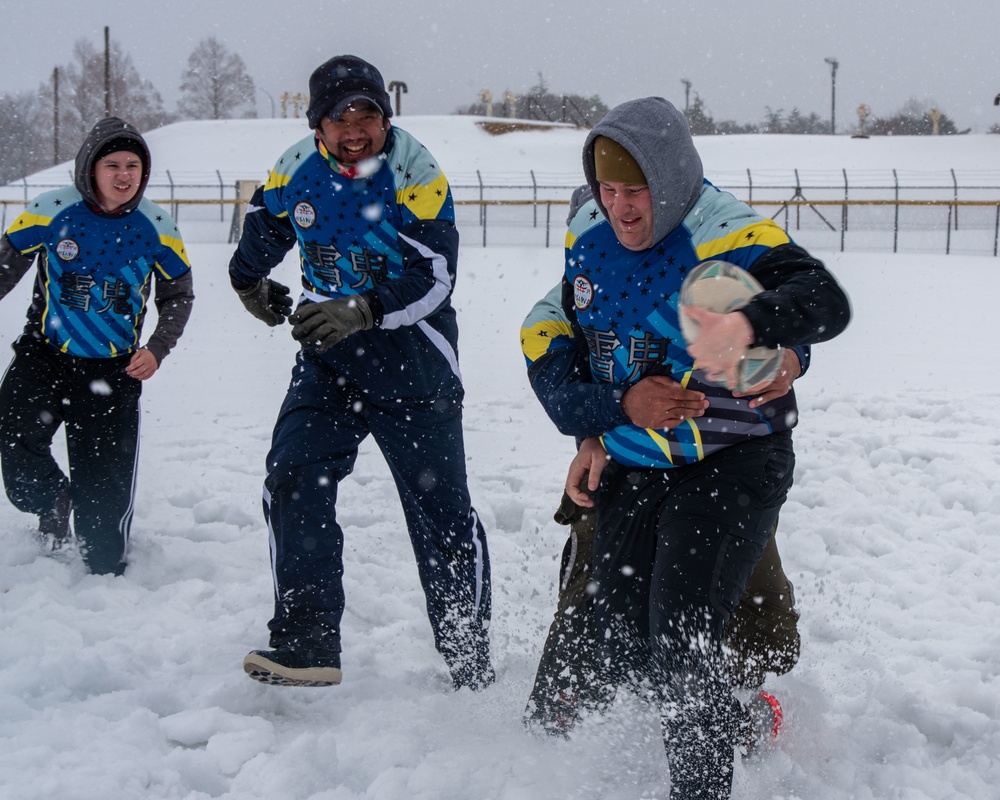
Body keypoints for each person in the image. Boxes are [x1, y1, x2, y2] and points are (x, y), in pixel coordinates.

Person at [519, 97, 851, 799]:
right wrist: (602, 418)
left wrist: (757, 328)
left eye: (634, 191)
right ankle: (737, 722)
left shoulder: (724, 234)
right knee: (616, 645)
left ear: (669, 184)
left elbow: (822, 299)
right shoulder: (588, 235)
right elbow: (553, 352)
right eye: (607, 191)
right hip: (634, 463)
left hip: (732, 463)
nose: (620, 208)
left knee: (687, 635)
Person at [229, 55, 492, 690]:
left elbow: (435, 278)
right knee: (293, 474)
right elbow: (264, 232)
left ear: (384, 119)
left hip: (415, 362)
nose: (355, 128)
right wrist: (246, 282)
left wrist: (365, 307)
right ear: (318, 124)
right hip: (329, 362)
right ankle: (307, 640)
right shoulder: (295, 169)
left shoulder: (414, 170)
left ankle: (467, 658)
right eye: (339, 116)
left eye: (367, 114)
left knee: (441, 513)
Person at [522, 190, 806, 737]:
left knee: (764, 631)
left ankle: (719, 703)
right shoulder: (564, 307)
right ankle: (570, 712)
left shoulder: (691, 273)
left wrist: (792, 357)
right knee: (598, 617)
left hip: (718, 473)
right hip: (624, 475)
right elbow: (559, 387)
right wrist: (600, 427)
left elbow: (771, 322)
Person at [0, 117, 195, 576]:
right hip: (44, 357)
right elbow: (4, 267)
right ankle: (53, 498)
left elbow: (178, 294)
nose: (124, 175)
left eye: (133, 166)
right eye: (113, 165)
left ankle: (106, 570)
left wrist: (158, 347)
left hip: (114, 371)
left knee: (104, 545)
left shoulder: (157, 226)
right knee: (12, 439)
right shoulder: (50, 210)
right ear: (91, 167)